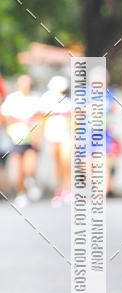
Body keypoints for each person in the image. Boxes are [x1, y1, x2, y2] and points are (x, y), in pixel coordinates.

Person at [1, 74, 42, 208]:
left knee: (29, 167)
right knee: (18, 168)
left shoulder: (35, 98)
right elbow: (5, 117)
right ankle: (21, 193)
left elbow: (40, 117)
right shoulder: (12, 99)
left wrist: (37, 135)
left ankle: (30, 180)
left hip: (30, 137)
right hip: (16, 137)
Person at [40, 75, 71, 204]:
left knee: (66, 162)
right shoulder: (46, 99)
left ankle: (67, 189)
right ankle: (59, 190)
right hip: (51, 135)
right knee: (57, 164)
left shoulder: (68, 101)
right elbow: (42, 118)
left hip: (66, 135)